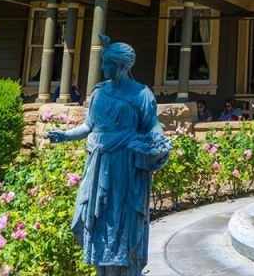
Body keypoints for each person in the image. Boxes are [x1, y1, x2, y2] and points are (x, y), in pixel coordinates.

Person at [48, 35, 171, 276]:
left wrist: (159, 142)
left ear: (122, 66)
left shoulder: (141, 94)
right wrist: (65, 135)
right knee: (94, 217)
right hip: (99, 164)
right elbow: (89, 126)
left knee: (121, 218)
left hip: (125, 166)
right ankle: (101, 270)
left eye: (107, 63)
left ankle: (124, 269)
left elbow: (152, 126)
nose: (103, 67)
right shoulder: (100, 92)